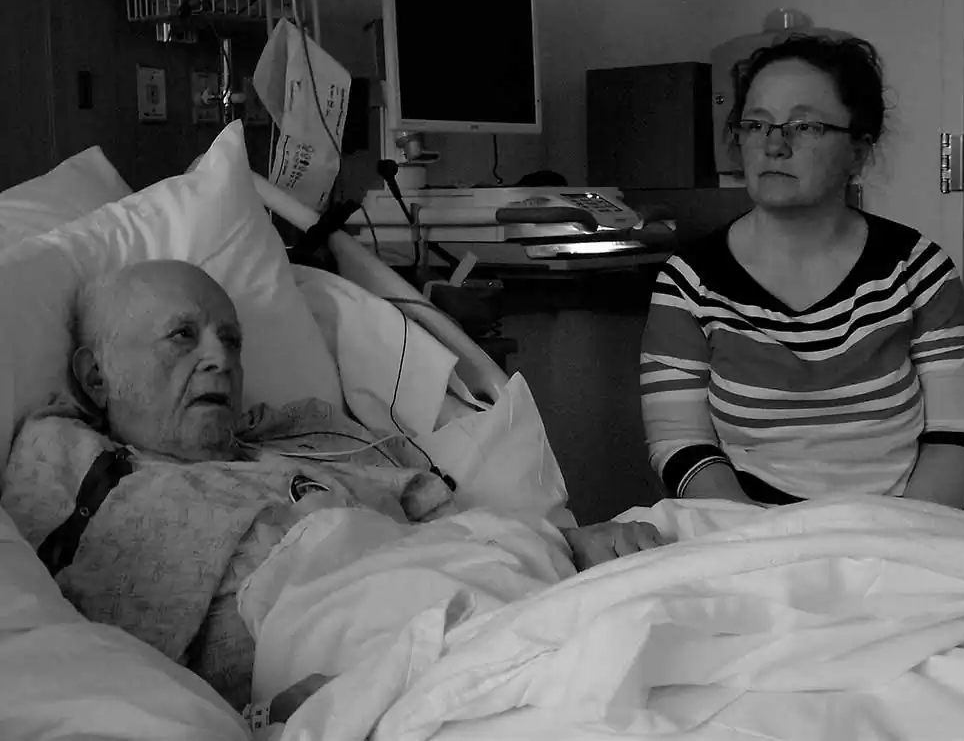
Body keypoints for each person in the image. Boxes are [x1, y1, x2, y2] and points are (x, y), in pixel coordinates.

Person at [1, 260, 662, 731]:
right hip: (350, 657)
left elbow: (451, 534)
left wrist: (565, 543)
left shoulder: (307, 439)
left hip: (467, 594)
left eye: (231, 340)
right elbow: (78, 656)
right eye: (183, 335)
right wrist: (264, 718)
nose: (220, 359)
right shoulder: (74, 462)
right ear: (96, 375)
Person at [641, 35, 964, 509]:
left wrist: (902, 534)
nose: (774, 145)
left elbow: (956, 430)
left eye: (804, 126)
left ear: (859, 151)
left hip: (905, 517)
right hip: (746, 525)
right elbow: (680, 442)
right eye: (756, 124)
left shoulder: (918, 268)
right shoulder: (688, 282)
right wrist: (759, 538)